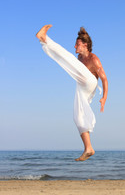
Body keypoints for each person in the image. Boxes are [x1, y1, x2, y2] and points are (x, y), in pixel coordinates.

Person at [36, 25, 108, 161]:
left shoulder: (94, 59)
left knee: (68, 58)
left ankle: (44, 38)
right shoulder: (80, 59)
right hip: (82, 85)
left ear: (85, 45)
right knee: (78, 117)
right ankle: (89, 148)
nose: (75, 47)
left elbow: (104, 79)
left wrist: (104, 98)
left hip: (91, 82)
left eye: (77, 44)